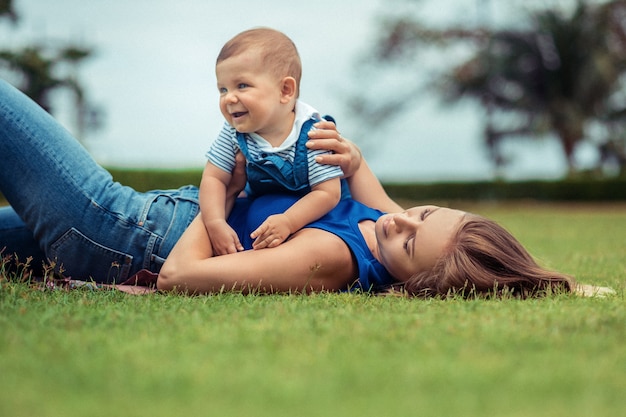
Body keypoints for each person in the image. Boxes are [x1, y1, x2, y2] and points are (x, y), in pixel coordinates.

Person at [0, 78, 583, 298]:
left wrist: (221, 202)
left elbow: (180, 277)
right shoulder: (388, 227)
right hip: (138, 218)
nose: (397, 220)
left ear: (413, 282)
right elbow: (366, 184)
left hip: (117, 230)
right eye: (423, 212)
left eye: (407, 242)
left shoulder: (330, 257)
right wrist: (351, 157)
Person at [201, 28, 344, 255]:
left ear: (285, 90)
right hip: (265, 208)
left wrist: (288, 221)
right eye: (223, 89)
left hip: (312, 215)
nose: (229, 98)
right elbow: (214, 178)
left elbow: (327, 193)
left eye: (242, 85)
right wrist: (215, 222)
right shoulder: (234, 132)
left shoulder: (314, 132)